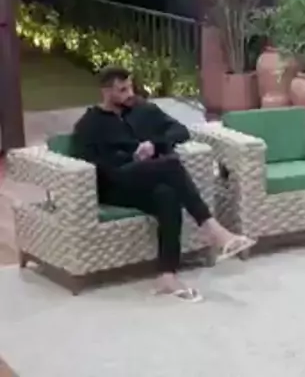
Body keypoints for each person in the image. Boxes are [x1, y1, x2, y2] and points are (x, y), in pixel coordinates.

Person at [71, 66, 255, 302]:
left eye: (130, 87)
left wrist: (154, 145)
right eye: (122, 90)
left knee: (167, 195)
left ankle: (167, 277)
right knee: (171, 165)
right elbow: (88, 162)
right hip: (114, 183)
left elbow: (181, 131)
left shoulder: (143, 109)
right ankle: (213, 229)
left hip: (147, 177)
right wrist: (128, 157)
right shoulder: (89, 124)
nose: (130, 94)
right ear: (106, 92)